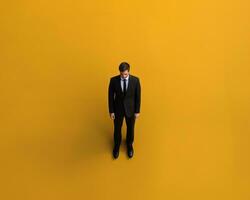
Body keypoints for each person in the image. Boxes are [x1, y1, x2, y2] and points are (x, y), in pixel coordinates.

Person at [108, 62, 141, 159]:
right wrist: (111, 111)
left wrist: (137, 111)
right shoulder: (113, 81)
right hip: (118, 109)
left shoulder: (135, 81)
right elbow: (110, 97)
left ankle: (129, 145)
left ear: (128, 72)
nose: (123, 76)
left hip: (131, 110)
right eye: (121, 74)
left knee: (131, 128)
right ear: (119, 72)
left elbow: (138, 97)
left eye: (125, 74)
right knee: (117, 128)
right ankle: (117, 145)